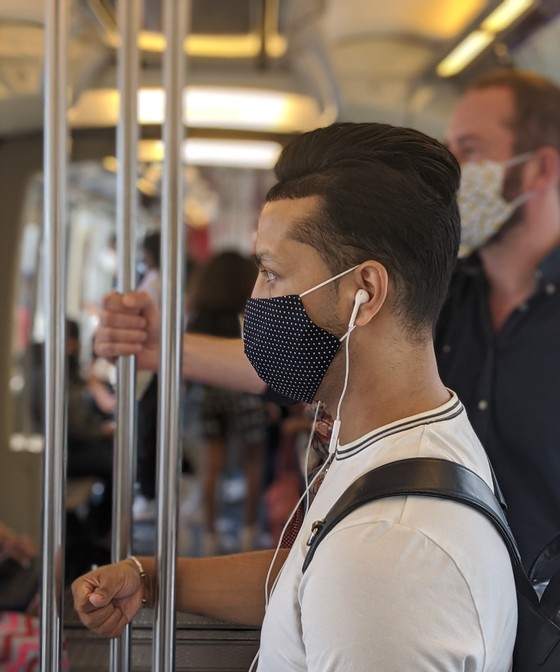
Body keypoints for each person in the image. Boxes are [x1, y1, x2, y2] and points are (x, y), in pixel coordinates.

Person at [73, 122, 516, 669]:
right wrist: (154, 577)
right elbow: (309, 574)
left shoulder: (389, 550)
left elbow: (354, 573)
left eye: (271, 273)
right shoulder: (404, 445)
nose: (255, 300)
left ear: (365, 293)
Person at [438, 68, 560, 570]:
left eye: (470, 150)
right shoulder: (440, 295)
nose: (451, 172)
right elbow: (327, 360)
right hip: (445, 608)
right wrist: (170, 347)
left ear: (539, 169)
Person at [185, 250, 267, 554]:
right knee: (254, 459)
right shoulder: (250, 309)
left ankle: (209, 534)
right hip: (246, 389)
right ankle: (248, 530)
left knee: (213, 463)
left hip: (210, 392)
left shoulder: (199, 313)